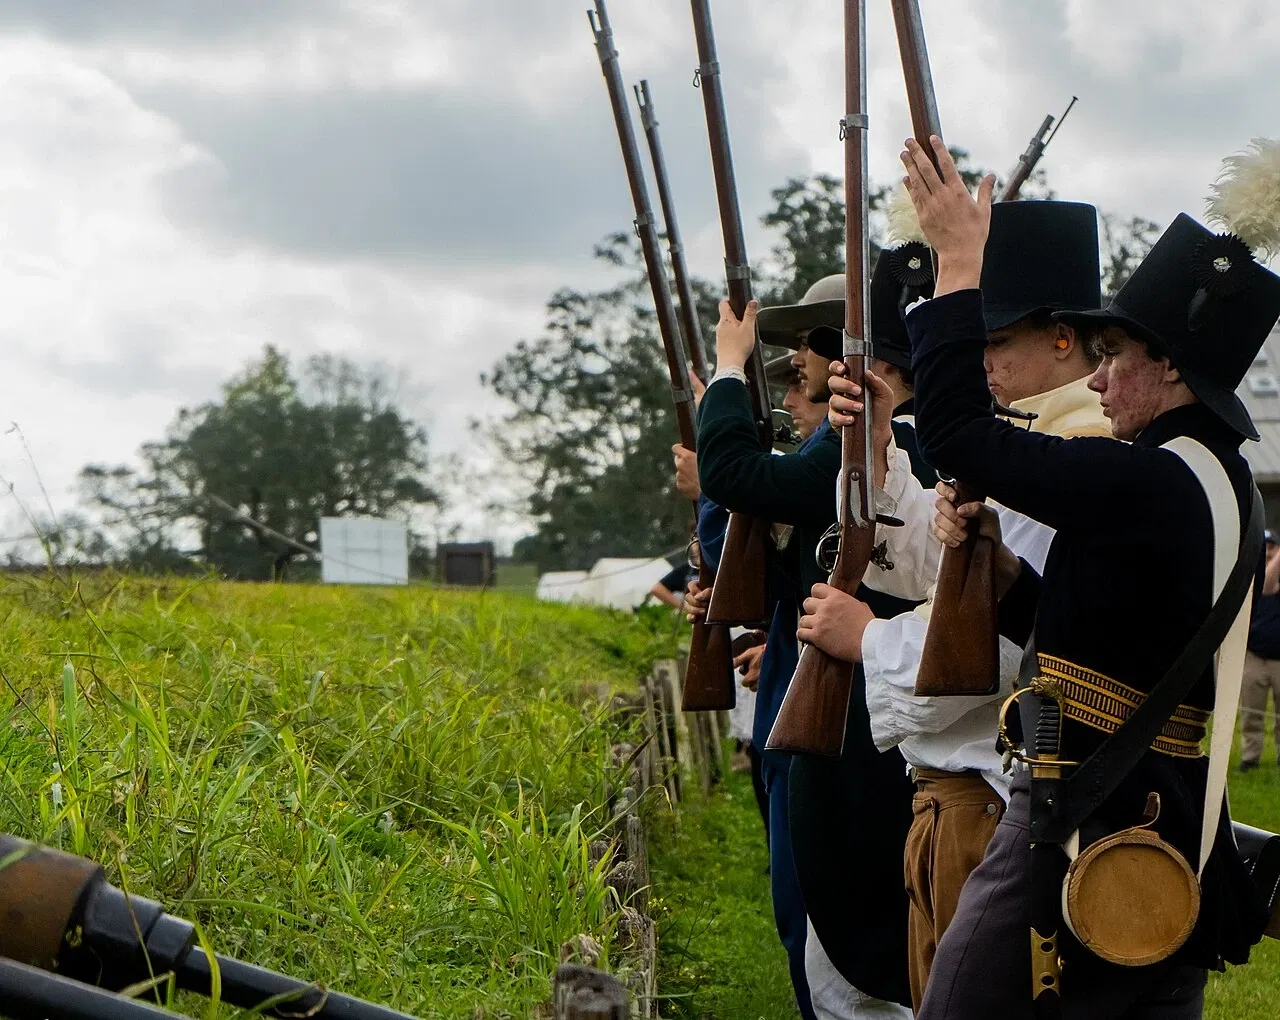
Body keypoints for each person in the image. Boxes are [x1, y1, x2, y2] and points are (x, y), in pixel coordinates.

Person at [893, 134, 1280, 1019]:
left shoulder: (1151, 476)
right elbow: (1106, 634)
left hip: (1086, 801)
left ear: (1172, 366)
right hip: (1150, 803)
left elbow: (957, 436)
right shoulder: (1207, 479)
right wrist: (995, 567)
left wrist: (958, 262)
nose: (1098, 379)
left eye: (1118, 358)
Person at [814, 200, 1110, 1010]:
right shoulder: (1034, 436)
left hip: (992, 801)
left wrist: (869, 638)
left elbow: (1011, 654)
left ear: (1060, 337)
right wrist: (877, 444)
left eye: (995, 337)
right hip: (961, 800)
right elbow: (947, 581)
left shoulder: (1079, 451)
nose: (978, 358)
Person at [1241, 529, 1280, 772]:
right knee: (1250, 714)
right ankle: (1250, 757)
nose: (1266, 551)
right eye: (1262, 547)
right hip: (1253, 656)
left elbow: (1270, 584)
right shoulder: (1248, 577)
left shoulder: (1274, 577)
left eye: (1272, 547)